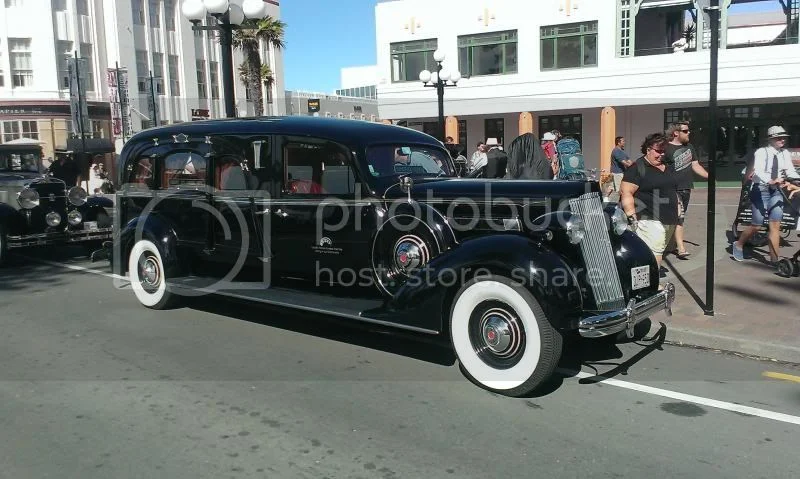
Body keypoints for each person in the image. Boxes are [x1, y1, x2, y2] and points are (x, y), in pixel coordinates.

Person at [732, 126, 799, 265]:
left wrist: (797, 180)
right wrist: (770, 180)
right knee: (757, 225)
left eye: (784, 137)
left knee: (775, 225)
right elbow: (758, 171)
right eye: (779, 137)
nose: (782, 140)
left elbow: (790, 171)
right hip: (760, 190)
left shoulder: (785, 153)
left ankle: (775, 261)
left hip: (776, 191)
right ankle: (739, 244)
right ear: (771, 139)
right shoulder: (762, 152)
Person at [620, 133, 680, 272]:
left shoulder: (667, 166)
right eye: (658, 151)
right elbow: (626, 192)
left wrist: (678, 208)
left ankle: (646, 278)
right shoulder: (637, 168)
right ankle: (653, 281)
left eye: (664, 151)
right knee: (654, 253)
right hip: (648, 218)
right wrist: (631, 216)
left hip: (669, 219)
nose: (661, 154)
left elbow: (671, 189)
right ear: (648, 149)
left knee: (658, 250)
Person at [663, 122, 708, 259]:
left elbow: (695, 165)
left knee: (676, 218)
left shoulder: (689, 147)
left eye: (688, 130)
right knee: (679, 217)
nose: (689, 133)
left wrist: (709, 176)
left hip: (686, 188)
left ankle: (670, 244)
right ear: (676, 133)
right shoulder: (666, 148)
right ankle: (681, 248)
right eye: (685, 131)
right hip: (672, 188)